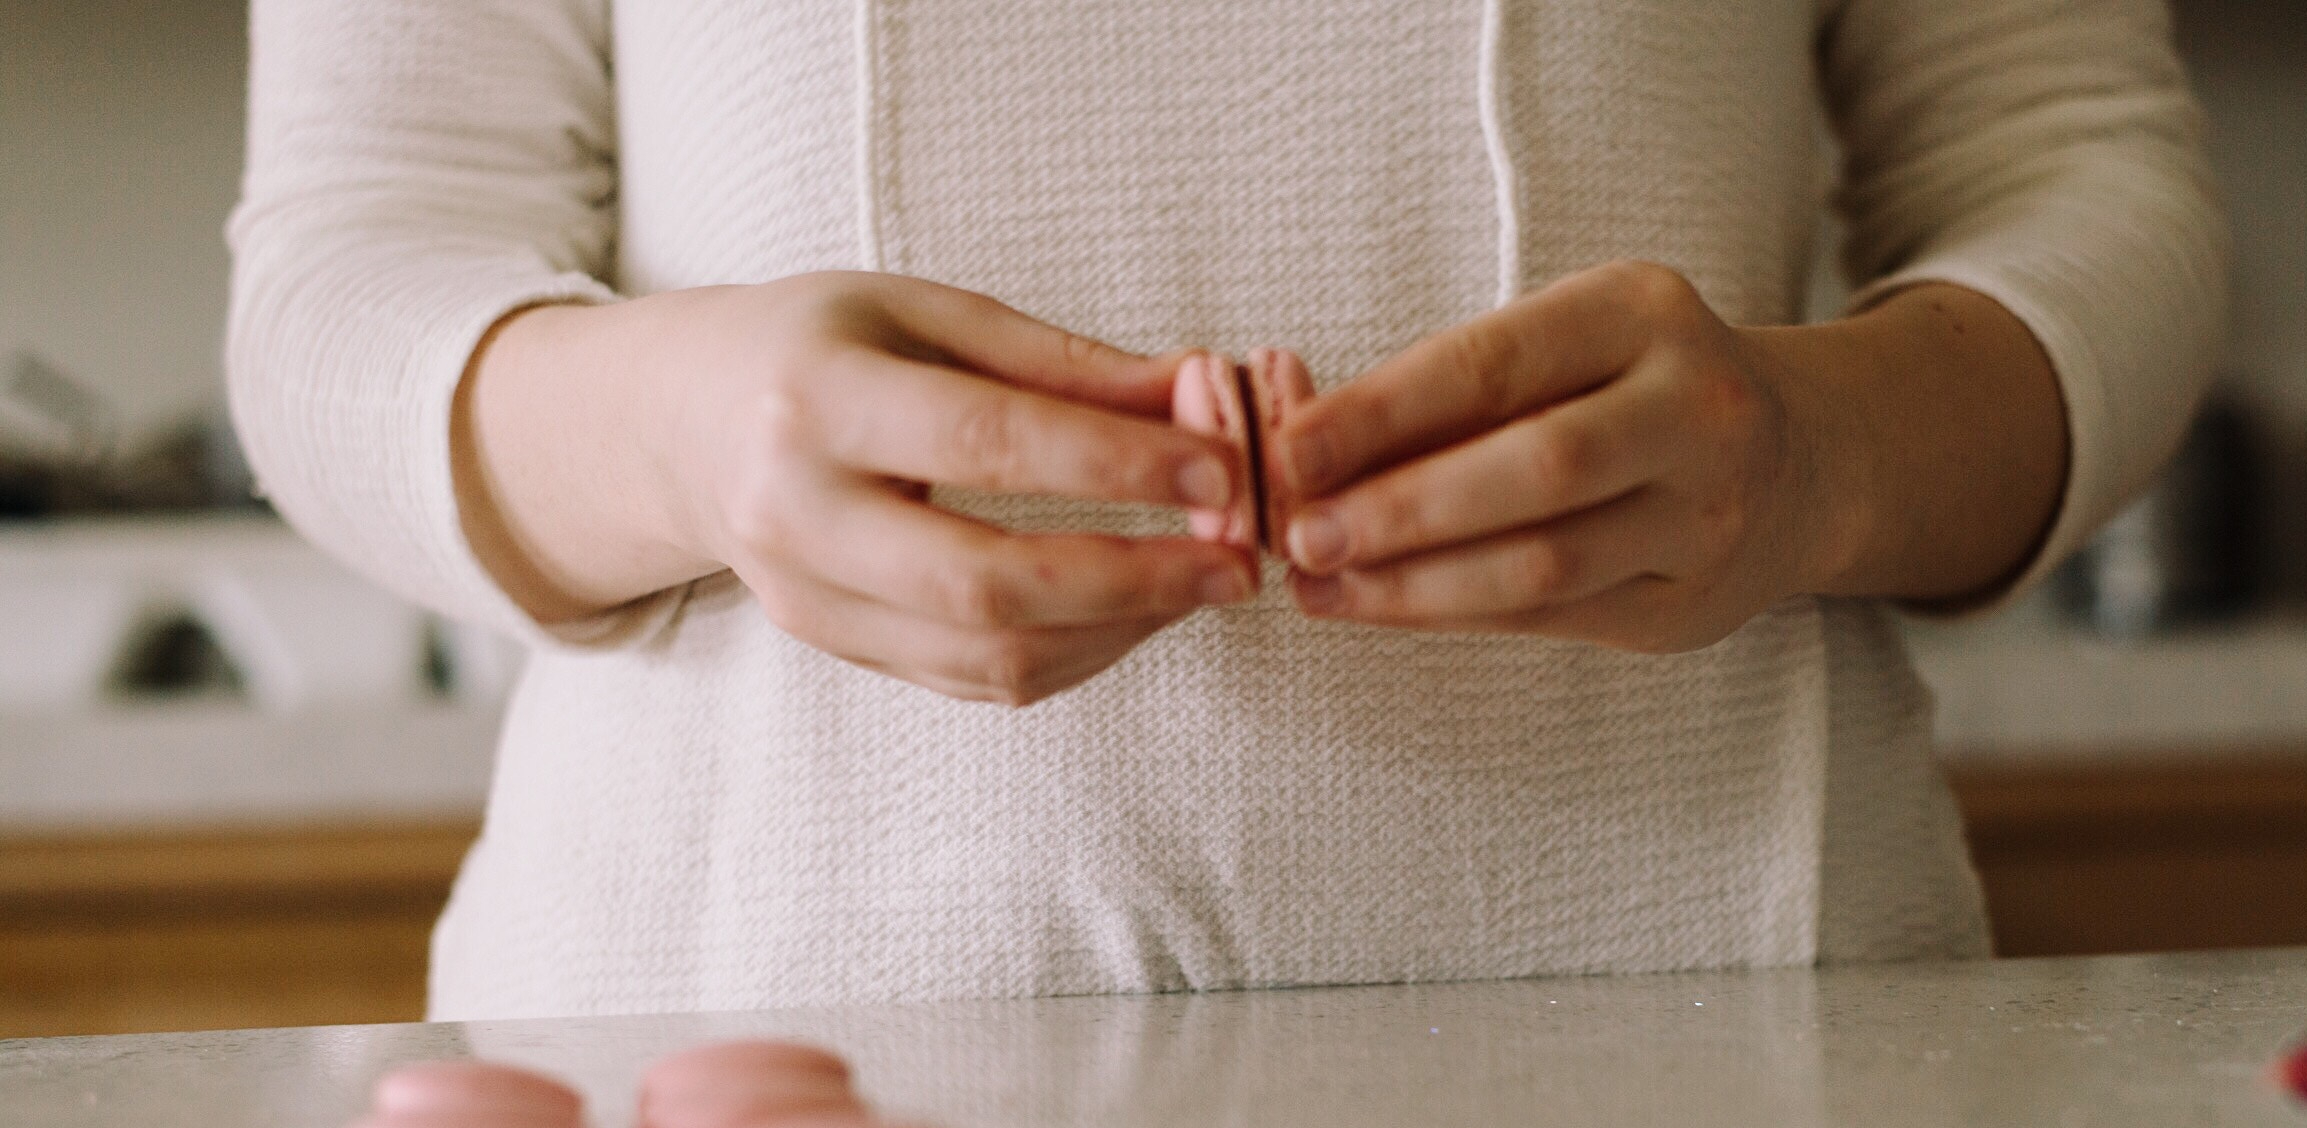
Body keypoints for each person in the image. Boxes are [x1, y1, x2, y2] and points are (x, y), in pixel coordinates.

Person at [228, 0, 2226, 1021]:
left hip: (1748, 1017)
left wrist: (1822, 453)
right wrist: (692, 435)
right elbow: (341, 283)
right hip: (741, 1029)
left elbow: (2077, 168)